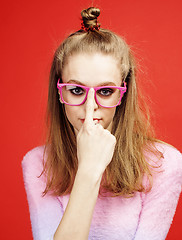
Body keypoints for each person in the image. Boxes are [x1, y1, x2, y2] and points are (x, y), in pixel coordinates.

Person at [22, 7, 182, 240]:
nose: (90, 107)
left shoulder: (164, 164)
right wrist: (88, 171)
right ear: (59, 91)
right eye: (76, 90)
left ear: (123, 94)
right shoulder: (38, 164)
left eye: (105, 91)